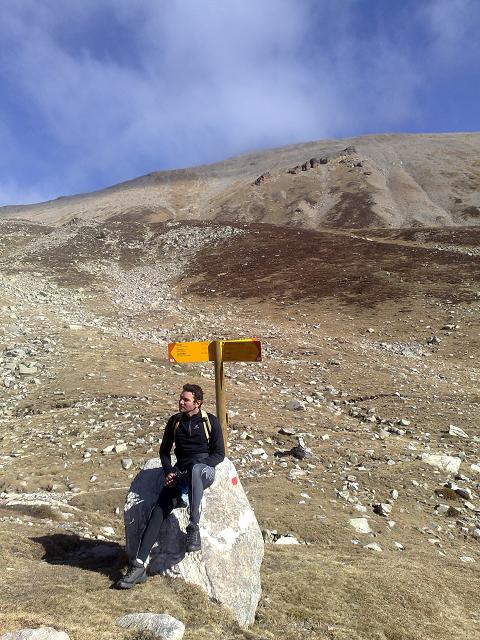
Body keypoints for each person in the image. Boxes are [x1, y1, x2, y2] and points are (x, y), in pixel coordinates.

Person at [115, 383, 225, 589]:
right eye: (181, 398)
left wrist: (201, 466)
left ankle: (193, 527)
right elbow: (164, 452)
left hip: (203, 472)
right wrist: (169, 472)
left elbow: (219, 454)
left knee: (194, 470)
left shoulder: (211, 422)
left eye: (186, 399)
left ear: (197, 403)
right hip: (181, 473)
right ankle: (138, 566)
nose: (181, 402)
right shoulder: (174, 422)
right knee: (159, 509)